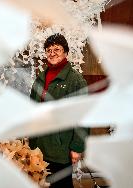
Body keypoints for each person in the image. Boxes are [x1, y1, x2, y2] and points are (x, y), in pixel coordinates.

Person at [29, 33, 89, 188]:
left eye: (57, 49)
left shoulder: (75, 80)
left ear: (66, 52)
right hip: (39, 145)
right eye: (49, 50)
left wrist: (77, 148)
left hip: (60, 147)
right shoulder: (40, 78)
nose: (52, 53)